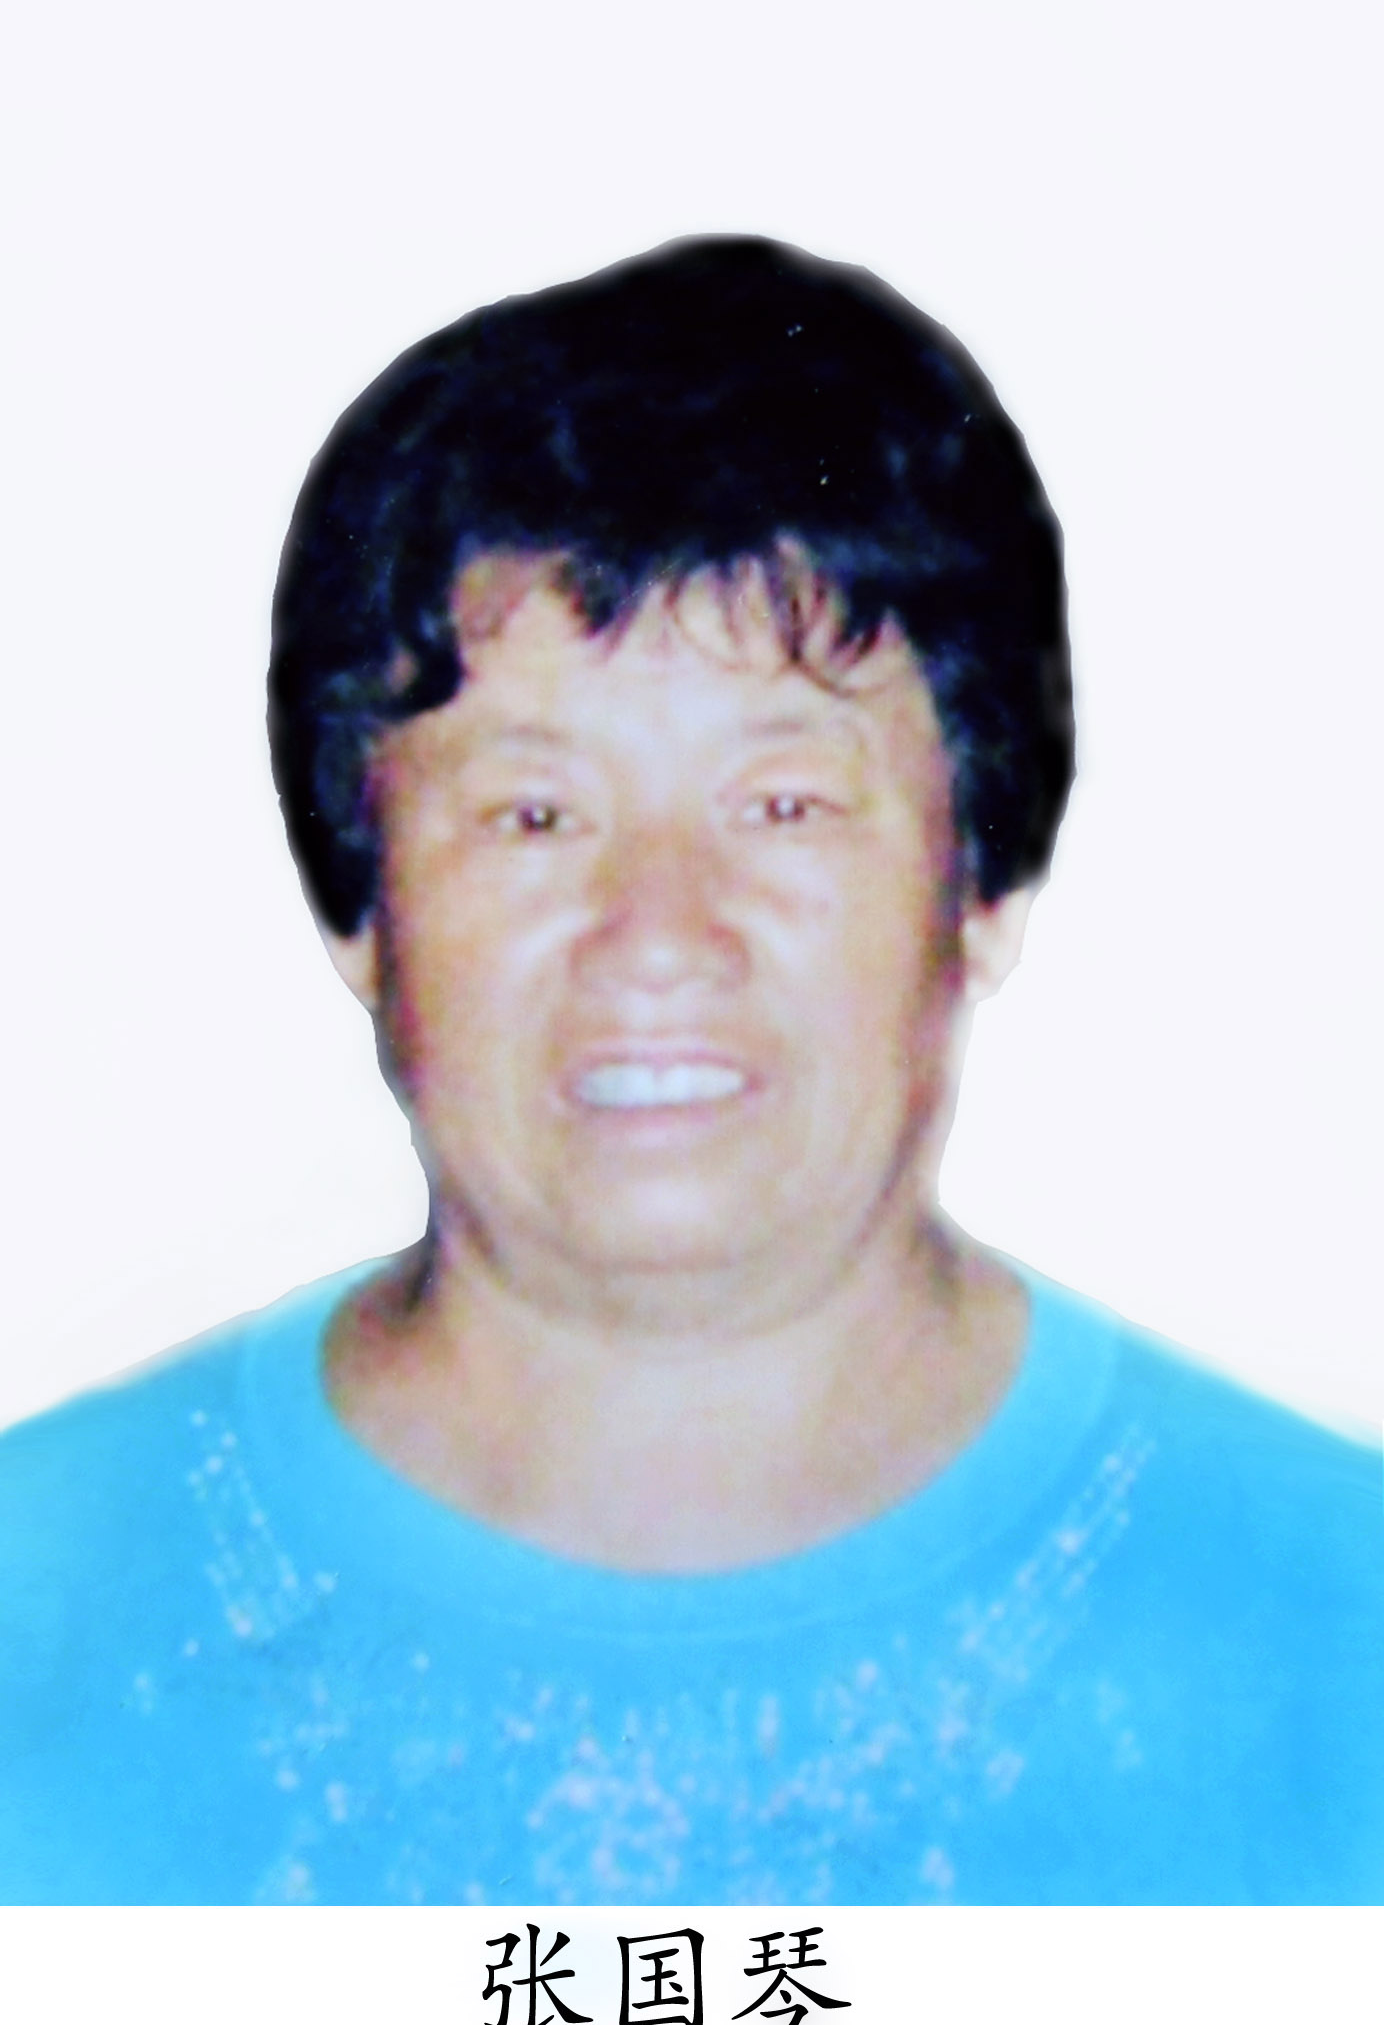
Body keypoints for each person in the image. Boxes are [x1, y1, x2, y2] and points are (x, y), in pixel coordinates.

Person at [0, 238, 1378, 1907]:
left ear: (984, 887)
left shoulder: (1340, 1630)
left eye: (782, 805)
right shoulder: (39, 1606)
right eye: (534, 814)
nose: (656, 937)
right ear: (363, 914)